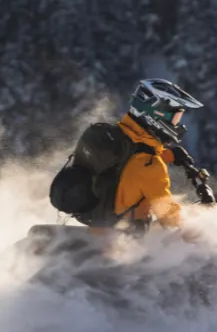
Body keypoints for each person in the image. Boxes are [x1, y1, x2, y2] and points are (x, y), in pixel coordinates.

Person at [48, 79, 208, 234]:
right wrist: (204, 231)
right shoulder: (151, 166)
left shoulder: (114, 139)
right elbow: (170, 220)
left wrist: (169, 155)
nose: (177, 125)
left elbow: (127, 166)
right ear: (157, 114)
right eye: (175, 118)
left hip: (98, 224)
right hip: (126, 242)